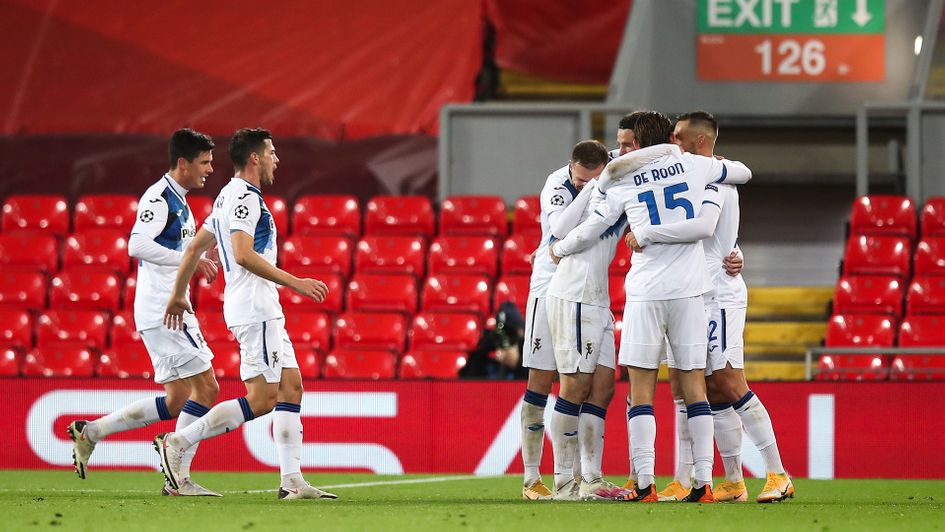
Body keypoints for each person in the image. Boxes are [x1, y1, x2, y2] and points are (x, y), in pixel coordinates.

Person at [551, 111, 752, 503]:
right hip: (691, 292)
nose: (620, 150)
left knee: (641, 388)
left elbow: (592, 228)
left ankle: (644, 483)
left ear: (641, 145)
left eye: (626, 144)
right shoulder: (695, 165)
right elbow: (743, 174)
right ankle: (704, 483)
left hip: (646, 292)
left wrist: (560, 248)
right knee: (694, 384)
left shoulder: (621, 178)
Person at [155, 127, 337, 500]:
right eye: (271, 152)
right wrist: (295, 282)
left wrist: (177, 295)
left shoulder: (226, 197)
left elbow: (193, 248)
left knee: (291, 388)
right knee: (262, 398)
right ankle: (178, 440)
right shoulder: (244, 198)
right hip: (256, 307)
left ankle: (292, 482)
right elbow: (241, 253)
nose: (276, 159)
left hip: (259, 306)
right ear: (255, 157)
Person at [626, 111, 793, 503]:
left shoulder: (713, 175)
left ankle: (777, 472)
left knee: (728, 380)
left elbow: (708, 228)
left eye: (679, 137)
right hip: (693, 290)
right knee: (691, 388)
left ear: (700, 141)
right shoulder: (693, 174)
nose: (673, 143)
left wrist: (647, 235)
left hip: (717, 292)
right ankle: (724, 481)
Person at [67, 128, 222, 496]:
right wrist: (191, 259)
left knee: (177, 398)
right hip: (165, 310)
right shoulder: (160, 196)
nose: (210, 169)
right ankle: (178, 477)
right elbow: (136, 244)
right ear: (182, 162)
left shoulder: (180, 200)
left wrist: (200, 256)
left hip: (159, 310)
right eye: (204, 162)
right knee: (208, 388)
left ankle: (92, 432)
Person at [545, 135, 675, 501]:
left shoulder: (621, 177)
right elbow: (576, 231)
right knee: (574, 386)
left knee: (602, 388)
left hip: (597, 299)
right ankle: (563, 482)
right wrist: (560, 246)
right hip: (574, 294)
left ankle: (591, 479)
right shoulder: (602, 189)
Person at [518, 140, 609, 500]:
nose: (589, 185)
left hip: (583, 290)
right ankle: (531, 479)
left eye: (595, 180)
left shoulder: (611, 169)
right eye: (582, 180)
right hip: (547, 285)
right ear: (571, 166)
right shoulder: (556, 184)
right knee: (541, 381)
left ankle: (582, 477)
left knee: (591, 384)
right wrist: (589, 193)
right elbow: (558, 229)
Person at [459, 301, 528, 380]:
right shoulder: (489, 344)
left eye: (510, 332)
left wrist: (517, 364)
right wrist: (483, 353)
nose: (505, 338)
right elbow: (466, 380)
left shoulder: (526, 347)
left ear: (521, 331)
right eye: (502, 332)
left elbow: (536, 385)